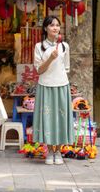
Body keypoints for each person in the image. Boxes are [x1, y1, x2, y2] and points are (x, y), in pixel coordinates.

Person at [32, 15, 74, 165]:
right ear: (45, 28)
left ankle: (58, 151)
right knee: (48, 120)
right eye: (51, 25)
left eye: (57, 25)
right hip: (45, 86)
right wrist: (50, 58)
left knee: (61, 119)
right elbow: (39, 70)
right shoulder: (39, 46)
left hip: (62, 85)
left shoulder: (65, 46)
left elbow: (66, 67)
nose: (55, 28)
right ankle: (50, 151)